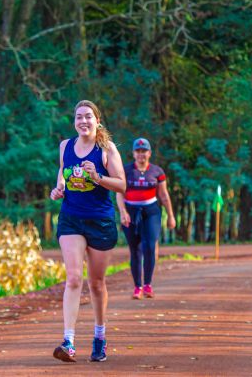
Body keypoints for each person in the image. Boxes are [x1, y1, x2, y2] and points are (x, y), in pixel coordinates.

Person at [50, 100, 126, 363]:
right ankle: (68, 341)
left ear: (97, 121)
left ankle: (100, 336)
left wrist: (98, 178)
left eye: (88, 117)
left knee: (96, 283)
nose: (83, 121)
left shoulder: (107, 149)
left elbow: (122, 185)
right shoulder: (65, 146)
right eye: (79, 117)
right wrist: (58, 187)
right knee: (73, 278)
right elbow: (63, 171)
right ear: (74, 121)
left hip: (100, 222)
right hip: (71, 218)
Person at [116, 137, 177, 299]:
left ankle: (148, 284)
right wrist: (123, 212)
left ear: (149, 153)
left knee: (149, 246)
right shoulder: (126, 171)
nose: (141, 154)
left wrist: (171, 216)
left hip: (151, 211)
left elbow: (164, 195)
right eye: (138, 151)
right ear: (133, 153)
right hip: (130, 211)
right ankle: (138, 287)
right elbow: (119, 193)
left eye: (144, 151)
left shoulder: (157, 171)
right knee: (135, 250)